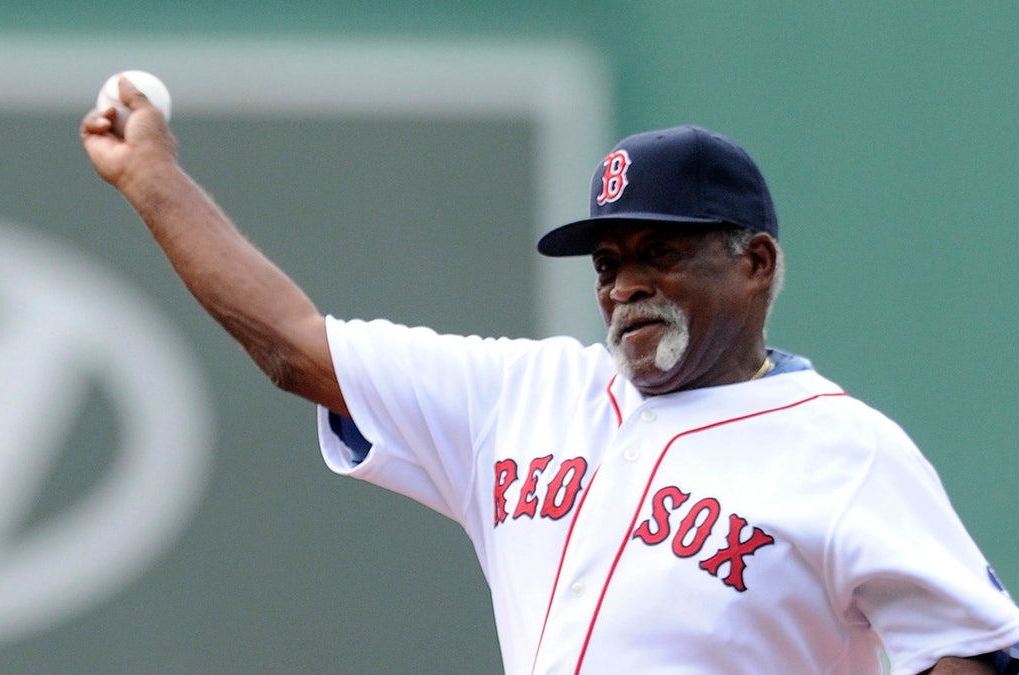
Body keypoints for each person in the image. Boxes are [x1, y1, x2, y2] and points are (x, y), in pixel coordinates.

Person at [80, 78, 1019, 674]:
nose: (628, 283)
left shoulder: (842, 450)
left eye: (663, 251)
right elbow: (295, 346)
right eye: (609, 261)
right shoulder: (523, 396)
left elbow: (970, 647)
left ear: (757, 263)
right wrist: (153, 178)